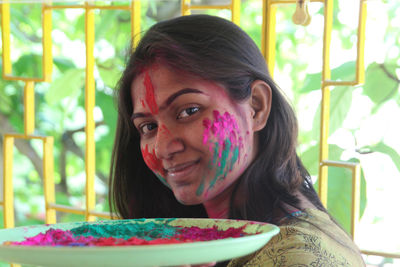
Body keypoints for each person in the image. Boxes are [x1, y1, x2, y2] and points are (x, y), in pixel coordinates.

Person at [109, 14, 365, 266]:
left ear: (256, 106)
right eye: (148, 127)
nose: (163, 147)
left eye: (189, 111)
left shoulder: (295, 257)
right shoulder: (201, 239)